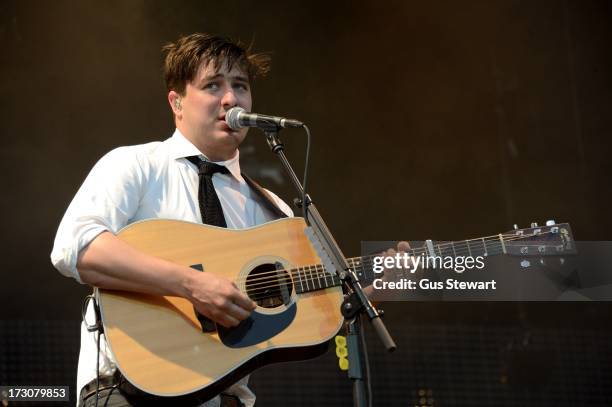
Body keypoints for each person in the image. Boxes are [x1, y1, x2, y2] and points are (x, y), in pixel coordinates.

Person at [51, 32, 293, 407]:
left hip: (227, 398)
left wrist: (361, 286)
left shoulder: (273, 209)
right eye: (213, 85)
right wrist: (191, 284)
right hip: (130, 391)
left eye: (240, 86)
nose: (231, 99)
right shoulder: (135, 165)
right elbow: (76, 247)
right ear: (176, 102)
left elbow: (309, 302)